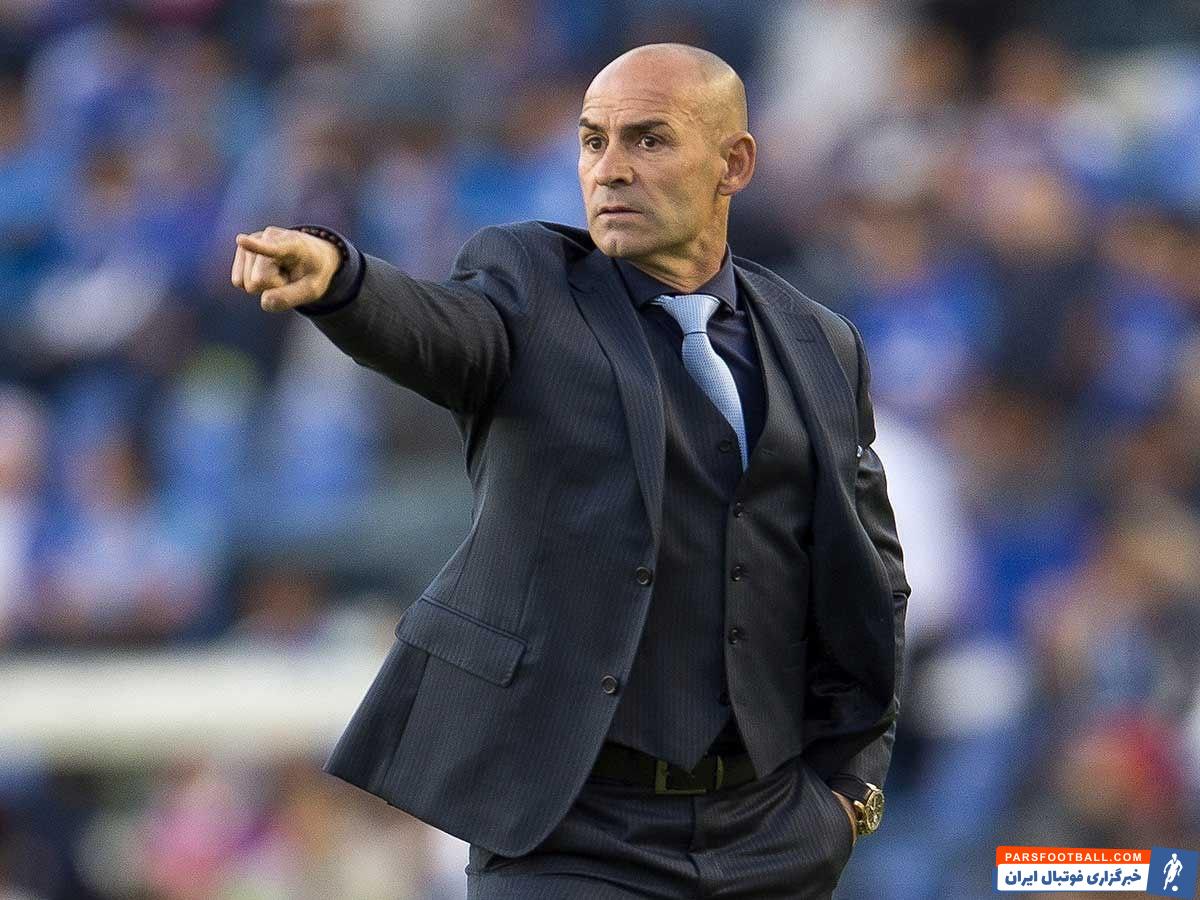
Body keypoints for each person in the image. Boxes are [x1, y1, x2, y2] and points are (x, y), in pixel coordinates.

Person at [231, 42, 909, 900]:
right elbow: (441, 329)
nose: (610, 168)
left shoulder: (820, 341)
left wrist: (850, 794)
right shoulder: (529, 283)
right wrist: (342, 279)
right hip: (572, 838)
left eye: (649, 139)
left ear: (734, 164)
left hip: (767, 836)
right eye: (594, 140)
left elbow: (871, 578)